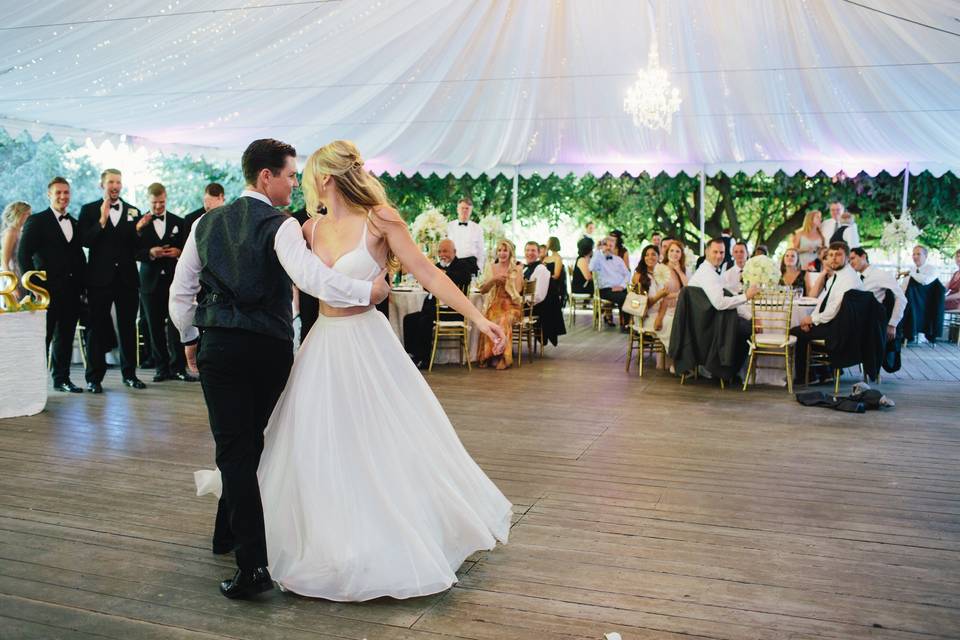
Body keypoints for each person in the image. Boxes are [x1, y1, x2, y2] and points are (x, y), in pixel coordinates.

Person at [250, 140, 510, 602]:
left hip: (367, 345)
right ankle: (330, 540)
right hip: (322, 345)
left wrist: (478, 317)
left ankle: (392, 535)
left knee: (380, 439)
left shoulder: (380, 220)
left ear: (325, 178)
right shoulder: (307, 229)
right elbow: (298, 287)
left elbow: (430, 274)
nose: (305, 183)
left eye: (309, 175)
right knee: (318, 442)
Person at [172, 139, 395, 598]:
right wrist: (366, 294)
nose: (296, 183)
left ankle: (238, 547)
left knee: (234, 445)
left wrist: (189, 338)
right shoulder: (283, 226)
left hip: (219, 347)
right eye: (290, 175)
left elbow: (181, 291)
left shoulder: (203, 224)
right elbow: (311, 279)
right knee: (263, 438)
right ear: (265, 177)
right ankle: (248, 553)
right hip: (268, 348)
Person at [78, 168, 147, 393]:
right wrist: (102, 219)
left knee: (128, 329)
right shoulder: (88, 210)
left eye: (118, 182)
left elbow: (138, 250)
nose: (115, 186)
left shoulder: (133, 211)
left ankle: (130, 375)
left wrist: (138, 231)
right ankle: (93, 378)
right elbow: (85, 241)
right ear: (102, 185)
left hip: (127, 280)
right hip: (99, 280)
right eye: (111, 182)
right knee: (96, 329)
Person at [16, 178, 86, 393]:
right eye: (58, 193)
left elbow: (77, 256)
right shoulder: (37, 221)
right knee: (42, 337)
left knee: (65, 336)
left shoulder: (74, 222)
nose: (63, 196)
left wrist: (83, 287)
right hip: (45, 291)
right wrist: (33, 289)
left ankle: (61, 379)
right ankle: (34, 384)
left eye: (66, 192)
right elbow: (23, 255)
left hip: (72, 290)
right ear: (49, 195)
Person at [135, 182, 194, 383]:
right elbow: (133, 251)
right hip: (149, 282)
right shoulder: (140, 224)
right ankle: (161, 368)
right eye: (154, 203)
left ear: (166, 198)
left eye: (161, 203)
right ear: (148, 200)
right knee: (154, 326)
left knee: (176, 325)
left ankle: (178, 367)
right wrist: (150, 253)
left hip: (172, 281)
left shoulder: (179, 220)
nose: (158, 207)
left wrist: (177, 252)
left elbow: (187, 249)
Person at [790, 241, 864, 381]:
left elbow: (834, 309)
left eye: (838, 254)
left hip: (842, 330)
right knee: (803, 328)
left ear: (847, 257)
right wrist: (811, 318)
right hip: (835, 324)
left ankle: (807, 376)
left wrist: (812, 320)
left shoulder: (848, 279)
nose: (834, 258)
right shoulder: (835, 277)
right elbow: (822, 304)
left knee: (795, 332)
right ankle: (824, 371)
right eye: (830, 255)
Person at [403, 238, 477, 368]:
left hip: (451, 310)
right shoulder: (436, 266)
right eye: (440, 251)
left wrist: (443, 274)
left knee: (424, 321)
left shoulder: (462, 266)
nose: (442, 254)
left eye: (445, 251)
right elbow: (427, 286)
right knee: (409, 319)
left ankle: (425, 359)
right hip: (432, 309)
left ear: (454, 252)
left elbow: (465, 278)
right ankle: (413, 354)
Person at [477, 239, 524, 369]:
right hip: (495, 303)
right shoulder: (491, 267)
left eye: (505, 250)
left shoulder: (517, 269)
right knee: (489, 319)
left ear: (510, 252)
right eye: (499, 250)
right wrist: (493, 280)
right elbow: (482, 290)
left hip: (512, 305)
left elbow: (519, 290)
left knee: (504, 319)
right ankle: (489, 355)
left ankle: (503, 357)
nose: (502, 253)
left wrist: (508, 281)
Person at [849, 247, 906, 341]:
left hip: (874, 324)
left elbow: (901, 298)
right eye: (849, 260)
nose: (850, 263)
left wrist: (892, 324)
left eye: (853, 258)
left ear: (863, 256)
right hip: (860, 322)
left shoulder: (880, 275)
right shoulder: (858, 278)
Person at [650, 240, 686, 365]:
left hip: (678, 307)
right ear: (667, 252)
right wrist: (679, 294)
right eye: (671, 250)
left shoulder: (680, 270)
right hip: (663, 308)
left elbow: (687, 288)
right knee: (673, 324)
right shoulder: (661, 269)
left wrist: (680, 271)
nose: (674, 254)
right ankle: (675, 361)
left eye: (678, 251)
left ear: (681, 254)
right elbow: (662, 294)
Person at [523, 239, 565, 347]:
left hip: (532, 307)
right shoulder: (524, 269)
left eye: (533, 250)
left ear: (538, 253)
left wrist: (522, 300)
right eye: (527, 250)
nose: (530, 253)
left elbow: (539, 296)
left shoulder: (541, 269)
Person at [590, 236, 631, 330]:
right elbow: (591, 268)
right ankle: (625, 325)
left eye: (611, 245)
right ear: (602, 246)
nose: (608, 247)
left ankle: (631, 324)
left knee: (632, 296)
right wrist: (597, 250)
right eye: (606, 245)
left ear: (614, 247)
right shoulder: (598, 259)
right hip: (605, 290)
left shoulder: (618, 260)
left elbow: (627, 274)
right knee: (623, 297)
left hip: (620, 288)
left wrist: (621, 286)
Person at [445, 197, 485, 272]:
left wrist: (480, 269)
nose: (464, 210)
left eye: (467, 208)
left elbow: (481, 251)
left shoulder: (477, 228)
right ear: (457, 209)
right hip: (453, 264)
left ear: (471, 210)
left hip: (471, 265)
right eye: (462, 208)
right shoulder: (449, 227)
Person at [1, 202, 30, 295]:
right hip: (14, 278)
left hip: (23, 277)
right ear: (19, 214)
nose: (30, 216)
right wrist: (12, 287)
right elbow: (4, 263)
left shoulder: (21, 231)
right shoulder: (10, 232)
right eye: (28, 214)